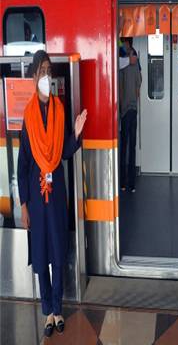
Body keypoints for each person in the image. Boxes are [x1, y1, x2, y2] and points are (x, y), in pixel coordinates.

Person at [18, 50, 87, 337]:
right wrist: (23, 204)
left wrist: (77, 134)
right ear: (33, 77)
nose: (46, 76)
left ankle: (58, 308)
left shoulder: (59, 110)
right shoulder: (28, 116)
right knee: (42, 252)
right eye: (42, 71)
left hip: (56, 194)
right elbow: (23, 165)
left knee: (57, 253)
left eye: (49, 70)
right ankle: (47, 310)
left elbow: (64, 153)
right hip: (36, 197)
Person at [118, 37, 142, 192]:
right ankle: (132, 184)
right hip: (133, 108)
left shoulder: (122, 60)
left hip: (125, 109)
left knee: (124, 146)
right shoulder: (135, 61)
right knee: (132, 146)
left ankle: (123, 182)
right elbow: (139, 85)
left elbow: (120, 87)